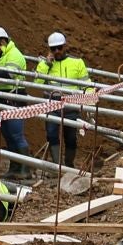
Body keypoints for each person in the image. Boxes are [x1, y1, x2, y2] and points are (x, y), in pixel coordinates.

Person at [37, 32, 90, 167]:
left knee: (71, 138)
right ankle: (57, 166)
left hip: (71, 105)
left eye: (59, 48)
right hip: (52, 105)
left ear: (65, 46)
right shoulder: (45, 64)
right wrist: (46, 65)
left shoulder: (77, 63)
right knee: (52, 135)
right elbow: (37, 82)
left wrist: (90, 101)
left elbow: (86, 83)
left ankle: (68, 165)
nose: (56, 51)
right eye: (53, 49)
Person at [0, 26, 32, 170]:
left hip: (13, 100)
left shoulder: (14, 55)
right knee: (9, 137)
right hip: (2, 101)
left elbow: (8, 75)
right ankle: (14, 168)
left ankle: (25, 170)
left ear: (3, 41)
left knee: (16, 135)